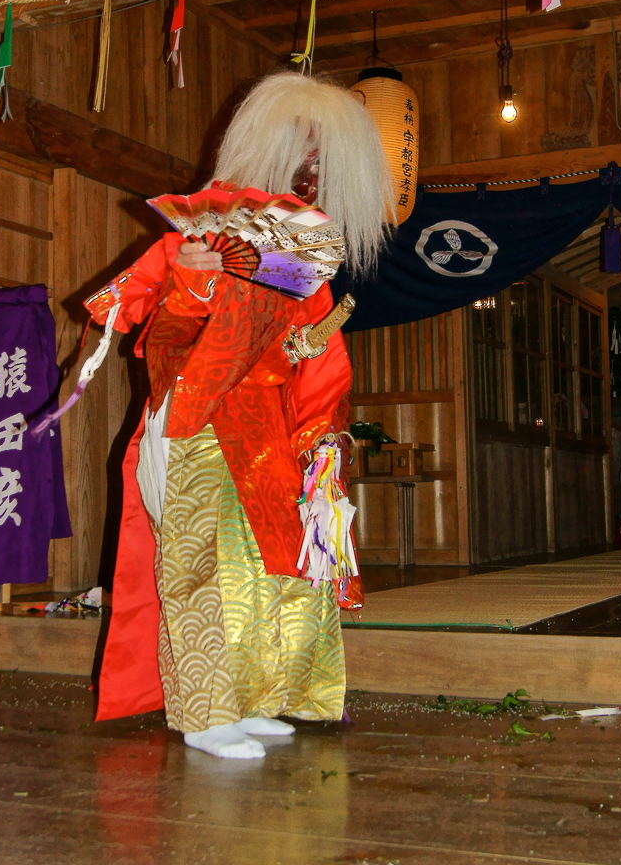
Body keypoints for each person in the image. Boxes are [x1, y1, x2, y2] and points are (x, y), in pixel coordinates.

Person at [85, 72, 394, 759]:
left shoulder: (301, 253)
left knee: (267, 563)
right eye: (307, 155)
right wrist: (194, 278)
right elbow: (158, 336)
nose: (313, 173)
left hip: (271, 427)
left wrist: (322, 433)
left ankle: (253, 697)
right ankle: (203, 712)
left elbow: (315, 352)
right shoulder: (202, 231)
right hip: (199, 416)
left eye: (323, 162)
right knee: (200, 563)